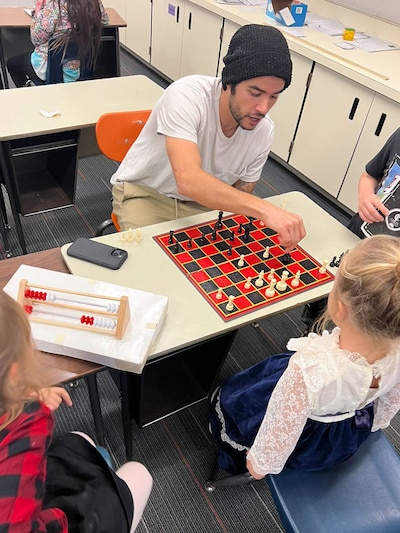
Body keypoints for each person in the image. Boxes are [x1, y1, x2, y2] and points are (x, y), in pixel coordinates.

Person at [209, 234, 400, 479]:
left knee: (241, 399)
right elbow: (388, 405)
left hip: (307, 442)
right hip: (348, 434)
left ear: (340, 307)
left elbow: (277, 438)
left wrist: (260, 465)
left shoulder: (309, 369)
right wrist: (373, 423)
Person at [111, 24, 306, 252]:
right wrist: (265, 209)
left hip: (206, 206)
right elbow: (188, 180)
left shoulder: (264, 130)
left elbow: (242, 193)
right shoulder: (187, 95)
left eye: (274, 96)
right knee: (153, 269)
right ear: (228, 83)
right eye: (255, 93)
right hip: (147, 195)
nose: (263, 108)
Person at [0, 289, 152, 532]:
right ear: (15, 372)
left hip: (32, 501)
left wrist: (16, 395)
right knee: (139, 473)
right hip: (46, 522)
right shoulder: (29, 425)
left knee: (80, 440)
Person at [302, 128, 399, 331]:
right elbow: (369, 175)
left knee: (368, 323)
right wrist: (365, 196)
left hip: (389, 272)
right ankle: (312, 331)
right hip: (357, 237)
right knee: (327, 298)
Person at [6, 0, 108, 87]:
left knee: (12, 63)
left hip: (52, 69)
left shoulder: (54, 8)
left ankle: (32, 94)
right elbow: (104, 21)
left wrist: (38, 8)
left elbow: (36, 40)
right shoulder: (94, 3)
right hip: (82, 66)